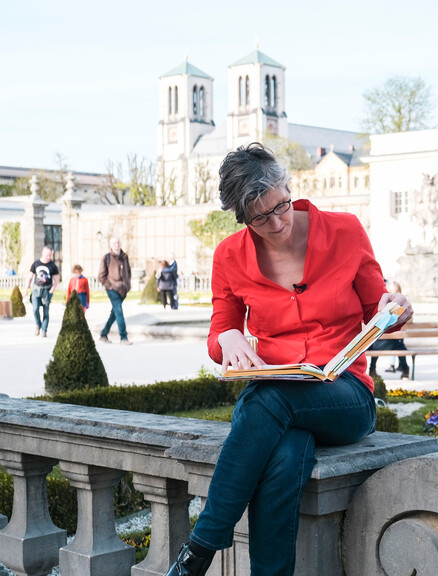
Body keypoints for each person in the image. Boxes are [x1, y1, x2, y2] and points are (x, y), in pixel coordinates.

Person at [165, 142, 412, 576]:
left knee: (265, 401)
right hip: (281, 397)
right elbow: (219, 333)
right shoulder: (228, 256)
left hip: (346, 396)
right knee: (284, 458)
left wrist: (396, 310)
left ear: (287, 186)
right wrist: (228, 338)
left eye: (282, 205)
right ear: (243, 219)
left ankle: (200, 549)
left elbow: (380, 311)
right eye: (261, 218)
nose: (277, 222)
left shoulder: (345, 230)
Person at [98, 237, 132, 345]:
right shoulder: (106, 258)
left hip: (123, 289)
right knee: (119, 312)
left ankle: (103, 334)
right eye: (114, 243)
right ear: (111, 245)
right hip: (112, 289)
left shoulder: (125, 257)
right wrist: (109, 286)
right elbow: (101, 276)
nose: (117, 245)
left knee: (115, 313)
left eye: (118, 242)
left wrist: (127, 285)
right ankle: (123, 337)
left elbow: (128, 271)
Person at [24, 246, 60, 337]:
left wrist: (52, 289)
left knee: (46, 311)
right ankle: (38, 324)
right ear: (43, 253)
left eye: (50, 255)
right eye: (48, 255)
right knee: (35, 309)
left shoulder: (53, 265)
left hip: (47, 290)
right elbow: (29, 278)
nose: (49, 257)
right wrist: (26, 290)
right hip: (36, 289)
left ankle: (44, 329)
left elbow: (56, 279)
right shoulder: (36, 264)